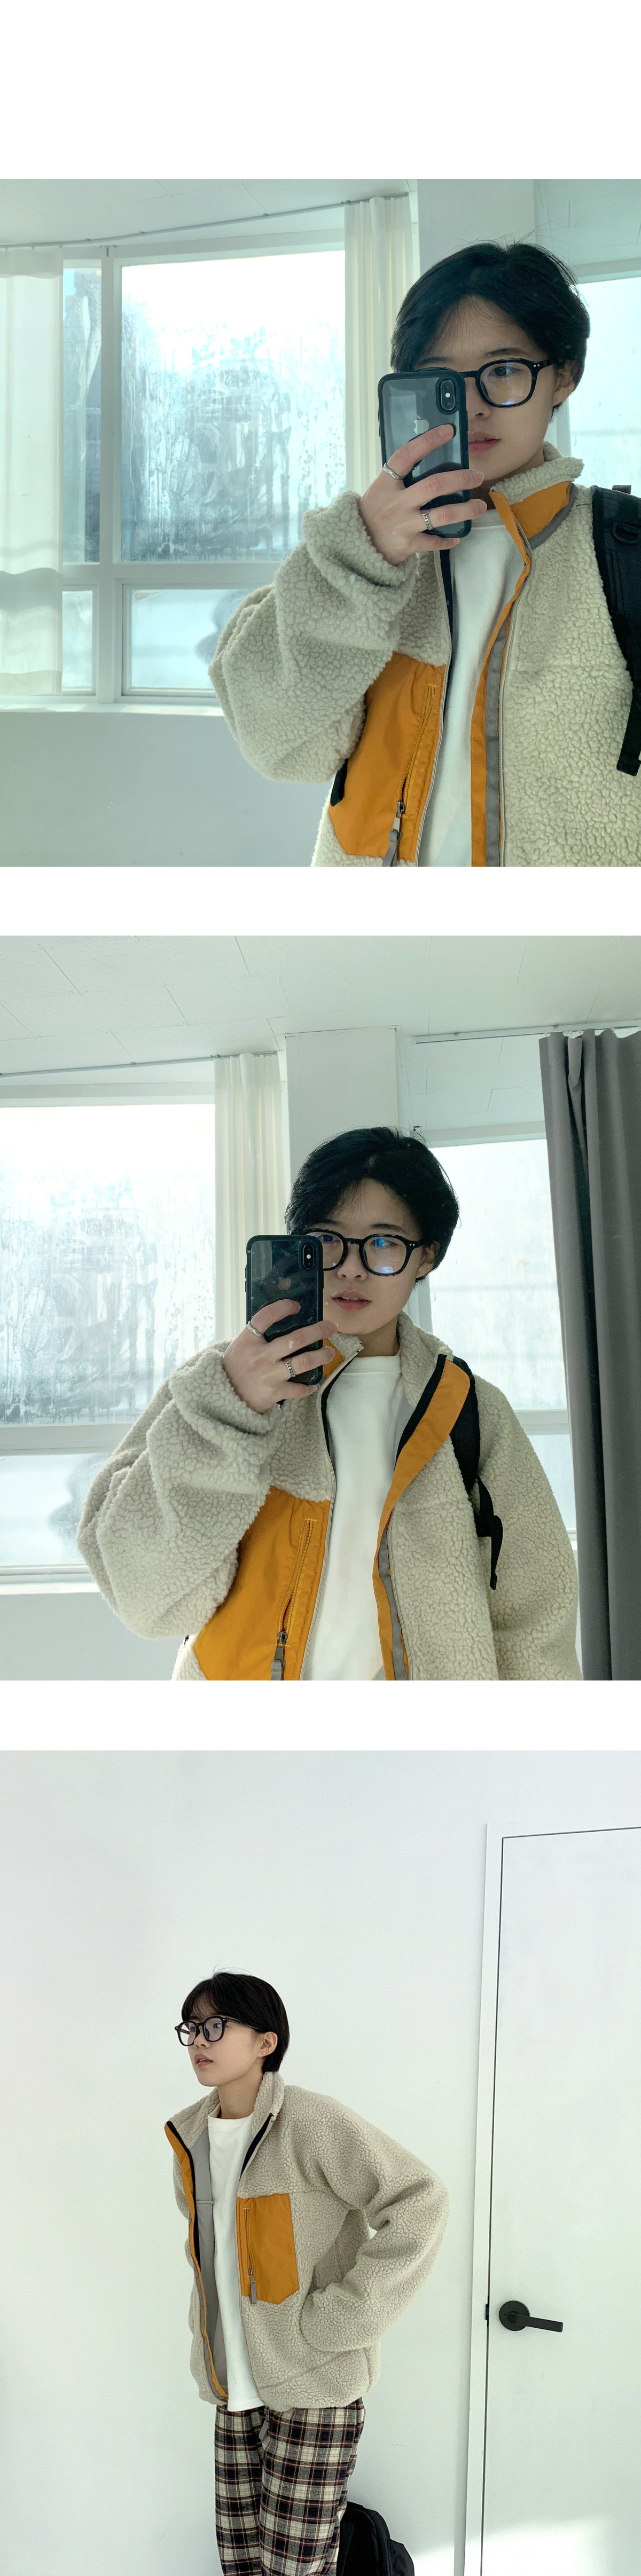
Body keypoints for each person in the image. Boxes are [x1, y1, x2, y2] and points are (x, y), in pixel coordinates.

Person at [77, 1126, 580, 1680]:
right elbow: (144, 1597)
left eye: (384, 1243)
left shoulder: (470, 1408)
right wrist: (231, 1408)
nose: (351, 1268)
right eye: (327, 1240)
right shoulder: (222, 1383)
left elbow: (535, 1618)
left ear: (426, 1258)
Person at [210, 240, 640, 868]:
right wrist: (363, 554)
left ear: (564, 378)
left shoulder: (621, 551)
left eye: (503, 370)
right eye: (441, 379)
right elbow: (275, 742)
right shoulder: (365, 553)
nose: (470, 404)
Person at [166, 1969, 449, 2576]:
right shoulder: (190, 2137)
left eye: (216, 2025)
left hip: (314, 2383)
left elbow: (420, 2200)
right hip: (231, 2385)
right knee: (241, 2563)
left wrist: (339, 2321)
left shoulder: (312, 2123)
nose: (199, 2040)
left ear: (265, 2042)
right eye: (192, 2027)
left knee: (295, 2568)